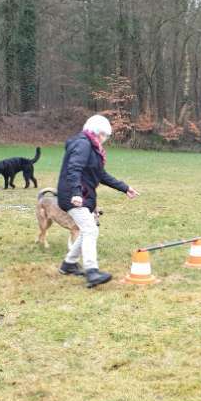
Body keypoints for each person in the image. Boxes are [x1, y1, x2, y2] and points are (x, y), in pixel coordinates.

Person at [56, 115, 140, 288]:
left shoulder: (91, 147)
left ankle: (69, 264)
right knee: (90, 230)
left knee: (88, 230)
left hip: (81, 195)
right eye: (104, 135)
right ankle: (92, 272)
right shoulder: (83, 144)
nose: (105, 140)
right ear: (97, 132)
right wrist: (76, 192)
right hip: (74, 196)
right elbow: (73, 169)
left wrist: (125, 188)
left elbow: (101, 175)